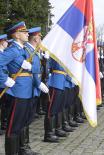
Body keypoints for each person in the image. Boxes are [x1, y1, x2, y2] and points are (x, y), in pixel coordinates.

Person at [0, 21, 41, 155]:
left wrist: (31, 67)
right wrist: (5, 79)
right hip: (17, 92)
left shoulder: (23, 50)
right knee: (13, 126)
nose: (27, 34)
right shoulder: (12, 50)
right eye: (24, 32)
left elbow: (35, 67)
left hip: (26, 91)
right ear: (17, 35)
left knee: (21, 124)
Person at [0, 34, 9, 135]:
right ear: (2, 42)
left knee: (4, 105)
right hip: (1, 83)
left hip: (3, 84)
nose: (7, 43)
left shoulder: (3, 53)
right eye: (6, 41)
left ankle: (3, 123)